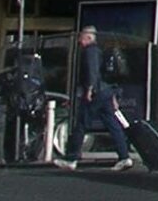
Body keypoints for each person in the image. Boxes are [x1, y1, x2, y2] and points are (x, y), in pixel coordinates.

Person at [59, 24, 137, 170]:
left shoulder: (91, 51)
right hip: (106, 92)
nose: (79, 41)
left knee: (81, 123)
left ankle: (71, 159)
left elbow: (92, 71)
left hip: (96, 92)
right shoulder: (99, 51)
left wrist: (89, 90)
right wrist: (112, 95)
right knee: (112, 124)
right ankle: (124, 156)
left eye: (81, 37)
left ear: (89, 37)